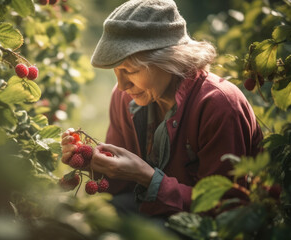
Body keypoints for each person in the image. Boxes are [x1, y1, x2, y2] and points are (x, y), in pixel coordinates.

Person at [61, 0, 263, 218]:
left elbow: (227, 209)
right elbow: (121, 189)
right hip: (150, 211)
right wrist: (93, 164)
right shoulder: (123, 98)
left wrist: (148, 178)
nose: (121, 85)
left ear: (169, 60)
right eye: (116, 71)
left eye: (130, 70)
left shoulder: (219, 105)